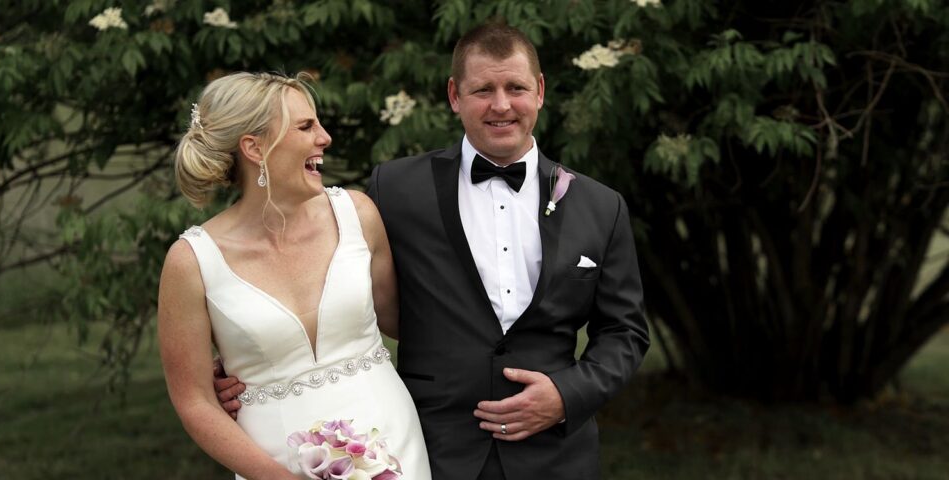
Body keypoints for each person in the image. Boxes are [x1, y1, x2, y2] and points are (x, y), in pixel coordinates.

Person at [219, 23, 650, 479]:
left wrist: (567, 395)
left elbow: (625, 331)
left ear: (539, 91)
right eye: (483, 89)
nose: (501, 104)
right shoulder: (396, 189)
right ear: (454, 95)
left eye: (516, 88)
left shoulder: (602, 206)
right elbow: (314, 275)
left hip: (556, 457)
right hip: (429, 448)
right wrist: (251, 354)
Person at [158, 71, 431, 479]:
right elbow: (194, 402)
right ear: (255, 147)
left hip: (393, 450)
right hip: (272, 463)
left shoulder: (356, 215)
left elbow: (410, 324)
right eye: (306, 126)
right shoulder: (192, 261)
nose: (325, 137)